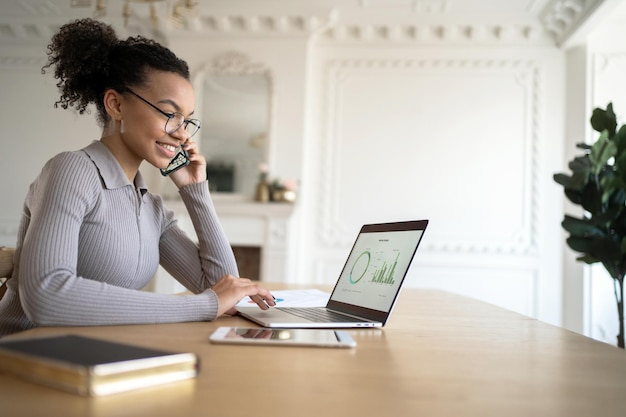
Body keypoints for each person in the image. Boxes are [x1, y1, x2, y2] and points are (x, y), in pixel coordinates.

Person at [0, 18, 275, 337]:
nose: (181, 133)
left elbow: (223, 290)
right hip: (23, 362)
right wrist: (202, 305)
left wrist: (194, 189)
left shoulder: (150, 207)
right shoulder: (72, 170)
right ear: (115, 104)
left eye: (186, 120)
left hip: (93, 359)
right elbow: (45, 297)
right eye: (169, 114)